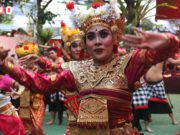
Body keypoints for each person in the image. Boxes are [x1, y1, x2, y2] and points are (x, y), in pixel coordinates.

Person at [0, 0, 179, 135]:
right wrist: (7, 67)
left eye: (103, 34)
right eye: (91, 37)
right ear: (86, 43)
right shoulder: (76, 69)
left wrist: (168, 40)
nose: (98, 41)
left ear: (114, 38)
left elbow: (160, 53)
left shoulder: (128, 63)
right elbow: (42, 84)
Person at [133, 62, 178, 133]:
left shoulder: (161, 57)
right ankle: (148, 119)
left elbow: (173, 61)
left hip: (158, 83)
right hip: (146, 84)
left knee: (164, 101)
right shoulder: (146, 57)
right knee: (147, 102)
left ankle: (173, 119)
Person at [15, 41, 45, 135]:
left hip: (37, 102)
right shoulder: (21, 70)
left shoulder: (39, 69)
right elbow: (18, 84)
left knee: (37, 127)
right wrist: (17, 91)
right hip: (24, 101)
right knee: (26, 128)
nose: (26, 61)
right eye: (23, 58)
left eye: (28, 58)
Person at [46, 47, 66, 125]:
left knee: (62, 103)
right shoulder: (50, 61)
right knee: (52, 103)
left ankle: (67, 119)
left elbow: (62, 71)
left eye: (52, 53)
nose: (51, 55)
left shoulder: (60, 60)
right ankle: (52, 120)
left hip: (60, 85)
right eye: (49, 53)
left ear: (56, 53)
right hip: (52, 84)